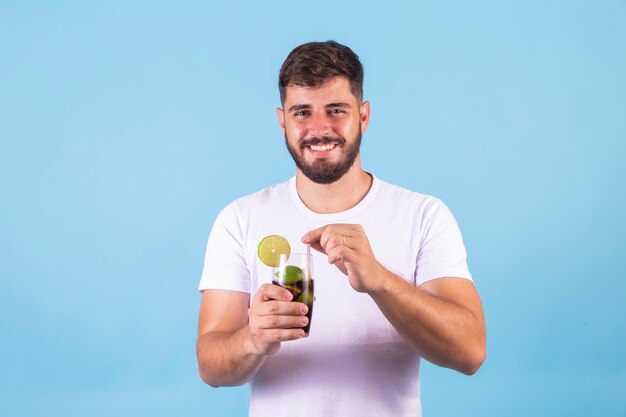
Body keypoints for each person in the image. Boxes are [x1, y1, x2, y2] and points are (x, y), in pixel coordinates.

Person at [196, 40, 486, 417]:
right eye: (302, 112)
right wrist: (253, 339)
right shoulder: (240, 219)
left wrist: (380, 280)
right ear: (282, 121)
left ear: (363, 116)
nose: (319, 129)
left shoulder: (424, 215)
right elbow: (210, 364)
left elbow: (470, 352)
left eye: (336, 110)